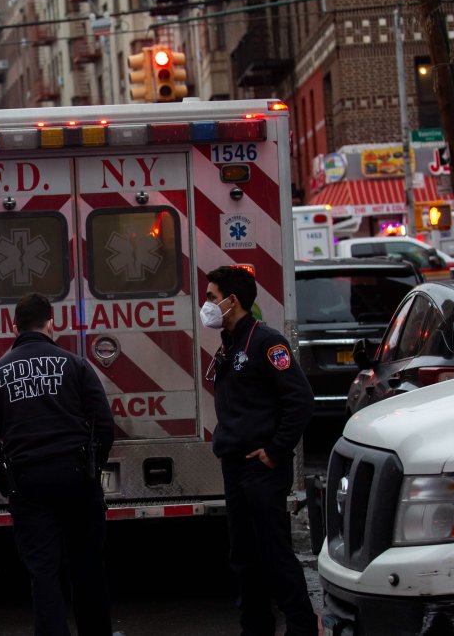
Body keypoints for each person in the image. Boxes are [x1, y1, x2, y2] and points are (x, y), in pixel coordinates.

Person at [0, 293, 115, 636]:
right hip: (76, 477)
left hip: (28, 482)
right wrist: (93, 469)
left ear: (14, 326)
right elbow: (103, 423)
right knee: (87, 565)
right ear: (51, 323)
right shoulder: (75, 365)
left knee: (43, 570)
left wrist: (5, 480)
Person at [202, 266, 317, 636]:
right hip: (235, 466)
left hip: (261, 468)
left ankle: (301, 627)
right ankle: (255, 628)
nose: (205, 303)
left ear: (231, 301)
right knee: (243, 558)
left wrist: (275, 450)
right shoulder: (231, 342)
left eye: (210, 296)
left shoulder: (266, 342)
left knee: (273, 553)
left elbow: (299, 400)